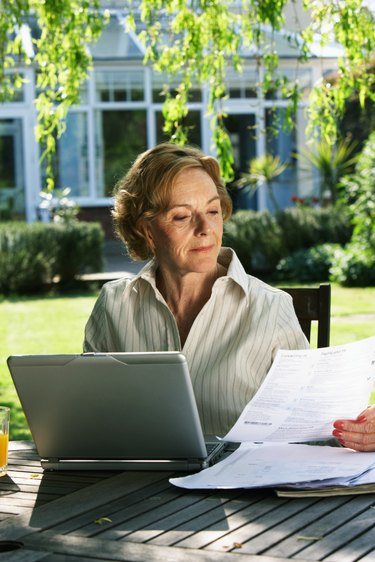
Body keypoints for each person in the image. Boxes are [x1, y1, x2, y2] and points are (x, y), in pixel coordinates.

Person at [84, 143, 375, 449]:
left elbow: (314, 424)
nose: (205, 228)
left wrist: (363, 425)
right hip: (136, 489)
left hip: (240, 492)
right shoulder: (114, 305)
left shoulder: (270, 308)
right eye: (182, 216)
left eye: (213, 211)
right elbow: (85, 416)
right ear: (146, 230)